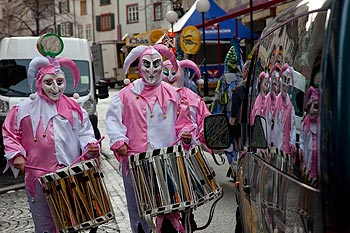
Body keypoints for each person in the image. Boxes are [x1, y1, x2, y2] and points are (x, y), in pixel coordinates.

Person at [2, 53, 100, 232]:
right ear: (40, 82)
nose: (55, 88)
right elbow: (10, 134)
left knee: (73, 222)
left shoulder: (75, 109)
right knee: (45, 224)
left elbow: (85, 133)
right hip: (39, 178)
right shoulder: (24, 109)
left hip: (71, 176)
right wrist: (16, 154)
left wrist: (90, 146)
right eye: (49, 82)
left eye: (60, 82)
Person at [105, 44, 193, 233]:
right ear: (139, 67)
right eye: (146, 64)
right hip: (135, 163)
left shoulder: (172, 94)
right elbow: (113, 119)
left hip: (167, 162)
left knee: (171, 206)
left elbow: (183, 121)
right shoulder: (126, 94)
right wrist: (119, 140)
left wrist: (186, 134)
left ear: (162, 65)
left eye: (156, 64)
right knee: (139, 210)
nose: (151, 70)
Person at [162, 58, 211, 147]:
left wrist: (202, 132)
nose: (170, 76)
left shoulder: (194, 98)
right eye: (165, 73)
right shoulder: (154, 98)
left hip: (190, 153)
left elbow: (205, 119)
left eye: (174, 72)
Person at [265, 64, 281, 147]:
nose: (276, 88)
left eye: (278, 85)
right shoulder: (266, 100)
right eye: (274, 84)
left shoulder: (278, 101)